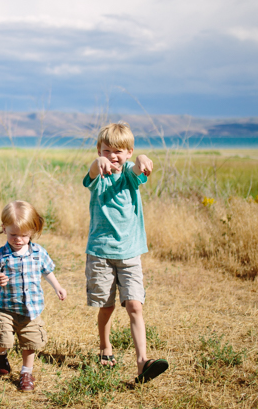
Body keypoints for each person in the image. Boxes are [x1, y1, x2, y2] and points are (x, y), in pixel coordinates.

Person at [83, 122, 168, 384]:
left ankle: (143, 362)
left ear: (128, 152)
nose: (112, 156)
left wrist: (142, 158)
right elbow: (93, 172)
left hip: (130, 254)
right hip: (100, 254)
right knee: (106, 308)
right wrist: (98, 164)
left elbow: (137, 167)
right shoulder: (98, 178)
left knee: (134, 306)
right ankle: (105, 347)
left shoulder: (131, 176)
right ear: (99, 150)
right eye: (107, 150)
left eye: (119, 151)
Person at [0, 200, 67, 393]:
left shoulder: (38, 252)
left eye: (24, 235)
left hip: (31, 309)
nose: (18, 239)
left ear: (32, 231)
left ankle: (26, 373)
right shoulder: (2, 254)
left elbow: (47, 271)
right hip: (7, 308)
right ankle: (0, 354)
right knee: (3, 340)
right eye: (13, 234)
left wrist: (57, 286)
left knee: (30, 342)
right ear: (4, 228)